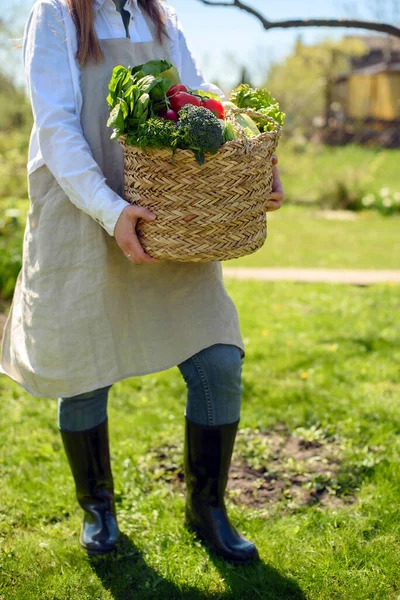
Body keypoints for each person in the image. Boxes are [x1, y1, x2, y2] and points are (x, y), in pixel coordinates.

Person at [0, 0, 284, 563]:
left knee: (218, 361)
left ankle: (208, 508)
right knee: (84, 373)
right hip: (82, 215)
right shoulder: (56, 15)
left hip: (166, 214)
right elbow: (56, 127)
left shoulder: (162, 18)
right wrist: (110, 210)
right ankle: (98, 508)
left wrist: (250, 158)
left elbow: (200, 96)